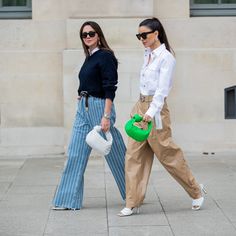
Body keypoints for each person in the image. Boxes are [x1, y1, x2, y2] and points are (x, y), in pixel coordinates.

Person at [118, 17, 206, 217]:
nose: (141, 39)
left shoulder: (166, 58)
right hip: (141, 106)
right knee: (133, 156)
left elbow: (161, 91)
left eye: (144, 35)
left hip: (155, 111)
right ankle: (132, 202)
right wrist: (139, 110)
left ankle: (196, 191)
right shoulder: (147, 54)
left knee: (168, 155)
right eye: (138, 36)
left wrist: (149, 113)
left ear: (156, 33)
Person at [52, 21, 126, 210]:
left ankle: (134, 194)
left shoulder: (105, 56)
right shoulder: (90, 57)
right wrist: (82, 92)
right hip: (83, 108)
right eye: (84, 35)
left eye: (91, 33)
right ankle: (66, 201)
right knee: (75, 153)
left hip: (100, 107)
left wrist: (106, 116)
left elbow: (110, 87)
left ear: (99, 35)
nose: (87, 37)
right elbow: (89, 80)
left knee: (115, 154)